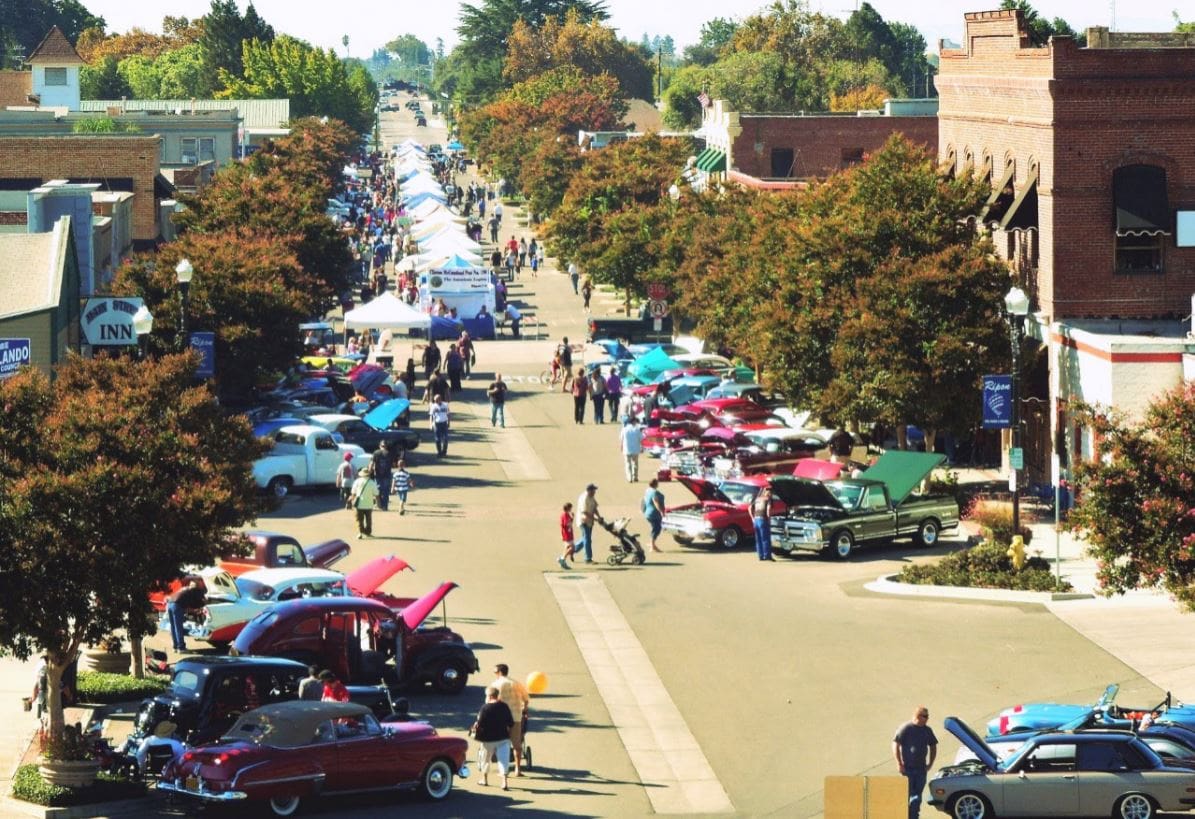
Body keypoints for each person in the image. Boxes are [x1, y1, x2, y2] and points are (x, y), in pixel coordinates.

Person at [893, 706, 938, 819]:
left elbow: (933, 745)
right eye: (925, 716)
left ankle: (914, 817)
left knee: (917, 798)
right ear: (918, 716)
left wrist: (930, 763)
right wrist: (899, 763)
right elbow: (895, 745)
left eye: (928, 716)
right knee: (906, 797)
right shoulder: (906, 728)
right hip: (907, 769)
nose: (927, 718)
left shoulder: (927, 730)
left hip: (921, 770)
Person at [471, 686, 513, 790]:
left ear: (489, 696)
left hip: (488, 739)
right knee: (503, 760)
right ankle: (504, 782)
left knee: (485, 759)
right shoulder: (504, 706)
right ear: (497, 695)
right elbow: (511, 723)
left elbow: (480, 723)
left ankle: (484, 779)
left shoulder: (485, 708)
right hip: (503, 737)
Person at [493, 664, 530, 776]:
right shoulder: (516, 683)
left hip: (500, 718)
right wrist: (524, 710)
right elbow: (526, 699)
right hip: (516, 717)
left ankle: (503, 769)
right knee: (517, 744)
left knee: (501, 744)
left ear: (499, 672)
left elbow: (489, 701)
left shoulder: (495, 684)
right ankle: (518, 769)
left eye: (495, 672)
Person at [167, 578, 206, 652]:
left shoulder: (184, 589)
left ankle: (175, 647)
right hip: (177, 605)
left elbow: (187, 605)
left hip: (170, 604)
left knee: (173, 626)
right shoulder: (194, 591)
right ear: (197, 586)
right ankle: (181, 647)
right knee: (178, 627)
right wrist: (198, 609)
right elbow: (195, 603)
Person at [348, 465, 379, 539]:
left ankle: (360, 533)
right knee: (368, 519)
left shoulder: (357, 481)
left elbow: (353, 492)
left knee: (359, 520)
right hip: (369, 504)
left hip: (359, 504)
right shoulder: (372, 482)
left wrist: (350, 500)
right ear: (368, 474)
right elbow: (376, 493)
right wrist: (378, 503)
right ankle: (368, 532)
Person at [575, 484, 599, 563]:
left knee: (585, 538)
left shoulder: (591, 497)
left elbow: (595, 507)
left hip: (590, 521)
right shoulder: (584, 498)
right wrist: (595, 518)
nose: (595, 492)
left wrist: (599, 516)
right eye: (593, 490)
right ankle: (588, 558)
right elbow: (584, 512)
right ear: (589, 490)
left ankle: (573, 549)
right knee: (587, 539)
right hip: (583, 521)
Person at [752, 484, 775, 561]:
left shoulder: (758, 499)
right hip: (763, 519)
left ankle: (760, 556)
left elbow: (750, 508)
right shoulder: (768, 499)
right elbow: (768, 510)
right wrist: (769, 520)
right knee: (765, 538)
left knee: (758, 539)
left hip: (756, 520)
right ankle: (767, 555)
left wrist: (753, 518)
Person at [643, 478, 665, 553]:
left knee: (654, 528)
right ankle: (652, 545)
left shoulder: (647, 490)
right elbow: (656, 503)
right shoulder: (654, 492)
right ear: (655, 484)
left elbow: (644, 500)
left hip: (648, 512)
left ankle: (652, 543)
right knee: (657, 528)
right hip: (654, 513)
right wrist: (661, 512)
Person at [371, 442, 393, 512]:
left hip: (378, 474)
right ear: (386, 446)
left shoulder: (376, 453)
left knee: (378, 490)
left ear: (380, 446)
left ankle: (380, 504)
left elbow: (371, 463)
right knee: (386, 491)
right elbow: (393, 463)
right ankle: (385, 506)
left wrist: (369, 471)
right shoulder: (389, 453)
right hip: (387, 474)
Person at [619, 417, 643, 482]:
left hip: (626, 449)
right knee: (635, 464)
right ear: (633, 422)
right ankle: (635, 477)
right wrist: (641, 447)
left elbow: (621, 439)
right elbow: (641, 439)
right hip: (635, 449)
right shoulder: (637, 429)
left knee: (627, 464)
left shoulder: (624, 429)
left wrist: (621, 447)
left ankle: (629, 478)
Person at [558, 501, 576, 569]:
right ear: (568, 508)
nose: (571, 509)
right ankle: (562, 559)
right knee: (572, 548)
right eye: (570, 508)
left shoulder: (567, 515)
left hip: (568, 533)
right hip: (567, 534)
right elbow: (566, 524)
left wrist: (572, 518)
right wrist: (571, 520)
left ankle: (563, 562)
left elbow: (570, 523)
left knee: (568, 548)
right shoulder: (565, 515)